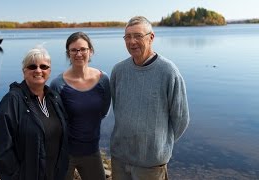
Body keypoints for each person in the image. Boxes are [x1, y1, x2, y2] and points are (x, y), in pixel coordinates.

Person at [110, 16, 190, 180]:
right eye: (128, 37)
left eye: (138, 36)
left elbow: (181, 118)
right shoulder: (118, 71)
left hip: (151, 163)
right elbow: (117, 107)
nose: (132, 42)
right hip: (119, 158)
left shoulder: (168, 72)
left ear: (151, 37)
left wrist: (160, 144)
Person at [0, 47, 68, 180]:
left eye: (44, 66)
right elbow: (2, 150)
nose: (38, 70)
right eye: (32, 66)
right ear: (24, 71)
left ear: (49, 71)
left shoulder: (54, 98)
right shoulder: (12, 100)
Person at [50, 31, 111, 180]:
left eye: (83, 49)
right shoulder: (58, 84)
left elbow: (103, 111)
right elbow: (55, 121)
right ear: (68, 53)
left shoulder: (103, 80)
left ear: (90, 51)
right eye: (74, 50)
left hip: (92, 151)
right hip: (65, 153)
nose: (79, 53)